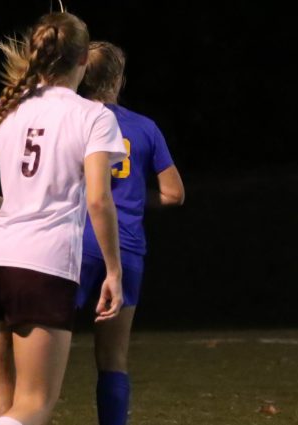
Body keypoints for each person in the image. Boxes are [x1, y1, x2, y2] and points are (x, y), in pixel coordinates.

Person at [0, 12, 126, 425]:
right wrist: (113, 270)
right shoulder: (93, 116)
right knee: (32, 404)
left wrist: (1, 205)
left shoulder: (4, 106)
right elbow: (98, 199)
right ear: (82, 62)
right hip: (43, 266)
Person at [75, 41, 185, 425]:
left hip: (72, 243)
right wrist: (136, 198)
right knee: (112, 360)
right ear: (119, 78)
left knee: (40, 355)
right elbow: (174, 194)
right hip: (124, 248)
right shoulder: (143, 127)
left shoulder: (67, 118)